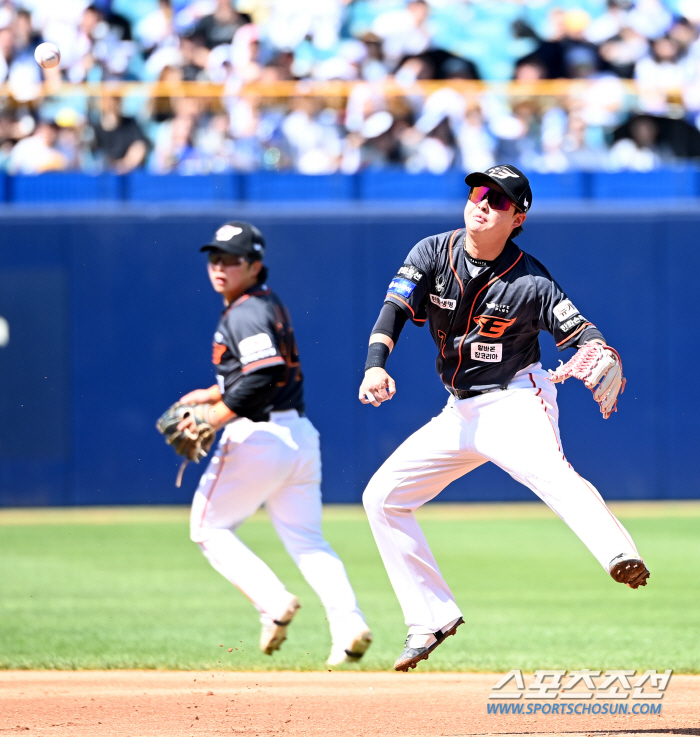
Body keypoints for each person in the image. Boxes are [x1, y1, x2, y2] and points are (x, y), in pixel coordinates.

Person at [358, 164, 650, 673]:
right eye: (478, 192)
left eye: (498, 200)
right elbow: (394, 309)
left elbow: (581, 331)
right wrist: (374, 367)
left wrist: (596, 348)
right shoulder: (432, 253)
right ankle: (429, 618)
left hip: (515, 399)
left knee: (552, 474)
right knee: (381, 497)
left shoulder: (531, 280)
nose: (482, 203)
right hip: (459, 410)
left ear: (517, 217)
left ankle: (618, 555)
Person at [180, 220, 372, 666]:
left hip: (258, 435)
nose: (220, 267)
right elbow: (261, 370)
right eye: (215, 258)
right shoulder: (263, 303)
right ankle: (349, 625)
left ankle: (273, 602)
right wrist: (212, 393)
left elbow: (264, 374)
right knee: (309, 541)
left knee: (207, 528)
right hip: (299, 437)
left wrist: (216, 413)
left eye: (232, 259)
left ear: (255, 265)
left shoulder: (244, 312)